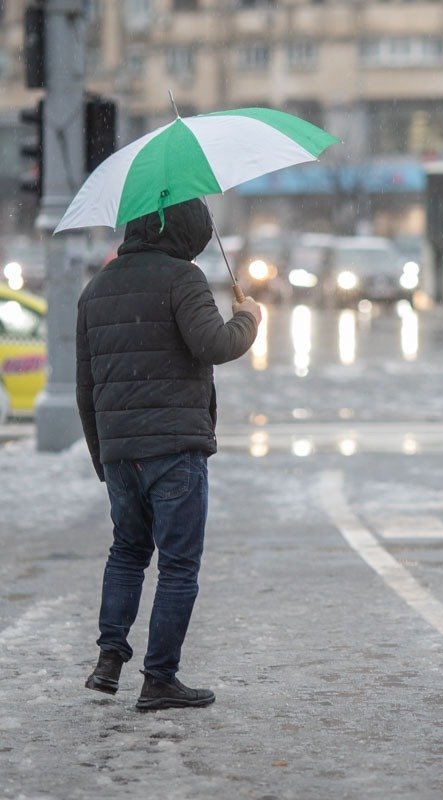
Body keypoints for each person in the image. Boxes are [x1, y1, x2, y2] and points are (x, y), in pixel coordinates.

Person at [77, 198, 262, 711]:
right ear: (186, 232)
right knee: (179, 567)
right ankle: (159, 678)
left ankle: (109, 660)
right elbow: (215, 344)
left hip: (120, 451)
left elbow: (84, 385)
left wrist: (103, 456)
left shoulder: (96, 288)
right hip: (174, 447)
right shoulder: (183, 277)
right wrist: (249, 318)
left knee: (127, 553)